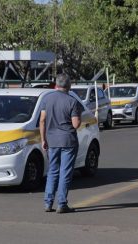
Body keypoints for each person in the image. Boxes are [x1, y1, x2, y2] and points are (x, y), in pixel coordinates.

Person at [39, 73, 82, 214]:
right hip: (68, 140)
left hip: (52, 140)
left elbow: (42, 120)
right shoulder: (72, 101)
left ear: (56, 85)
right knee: (65, 172)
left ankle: (48, 202)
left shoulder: (47, 99)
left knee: (53, 171)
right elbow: (76, 124)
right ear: (69, 86)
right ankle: (62, 203)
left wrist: (43, 139)